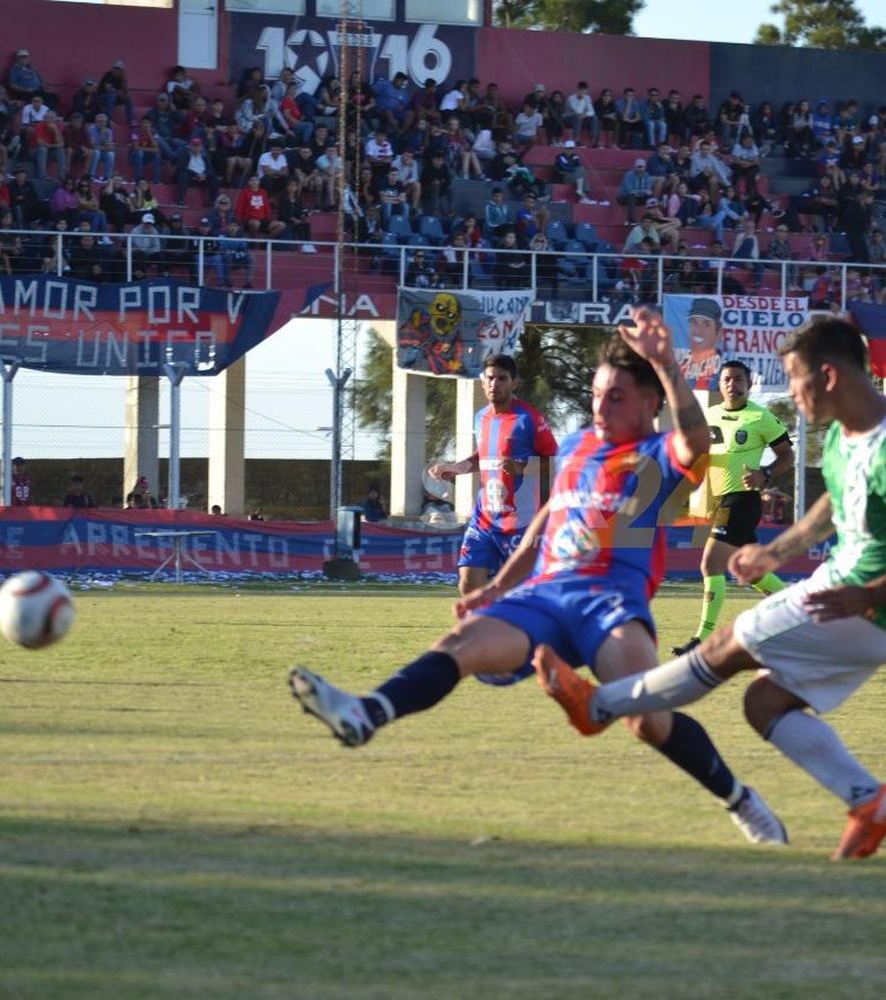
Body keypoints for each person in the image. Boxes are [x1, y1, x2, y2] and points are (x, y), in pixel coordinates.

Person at [289, 310, 788, 845]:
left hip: (611, 604)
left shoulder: (656, 452)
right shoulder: (577, 447)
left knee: (647, 718)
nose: (600, 405)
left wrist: (666, 362)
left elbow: (693, 437)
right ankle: (365, 713)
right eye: (597, 393)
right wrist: (499, 586)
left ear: (650, 404)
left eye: (616, 396)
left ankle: (743, 803)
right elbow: (543, 526)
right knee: (462, 643)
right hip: (546, 596)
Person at [536, 315, 886, 861]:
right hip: (853, 598)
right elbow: (833, 503)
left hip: (864, 607)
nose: (789, 393)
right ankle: (870, 801)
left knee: (726, 646)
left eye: (794, 378)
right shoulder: (844, 430)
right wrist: (777, 551)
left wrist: (869, 594)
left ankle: (599, 704)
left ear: (829, 376)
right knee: (764, 703)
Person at [674, 360, 795, 654]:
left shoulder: (760, 417)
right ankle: (799, 612)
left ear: (748, 384)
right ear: (720, 384)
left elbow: (787, 456)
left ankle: (702, 640)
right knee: (750, 571)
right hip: (720, 500)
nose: (733, 384)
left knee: (710, 564)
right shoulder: (710, 416)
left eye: (738, 379)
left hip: (742, 499)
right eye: (727, 379)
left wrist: (764, 474)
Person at [426, 355, 558, 601]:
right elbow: (482, 458)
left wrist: (524, 468)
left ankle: (517, 635)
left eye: (502, 378)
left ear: (514, 383)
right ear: (482, 381)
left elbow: (556, 462)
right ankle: (480, 636)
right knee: (468, 585)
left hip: (520, 523)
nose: (494, 384)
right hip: (484, 518)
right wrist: (455, 468)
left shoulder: (529, 419)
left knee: (521, 596)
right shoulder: (481, 418)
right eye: (490, 378)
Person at [678, 298, 723, 389]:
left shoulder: (723, 368)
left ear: (718, 331)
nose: (698, 331)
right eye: (694, 323)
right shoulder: (681, 365)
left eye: (706, 325)